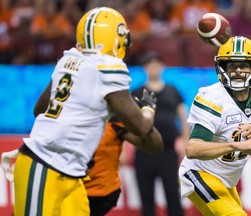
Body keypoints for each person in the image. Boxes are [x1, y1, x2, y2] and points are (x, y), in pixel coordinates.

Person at [9, 7, 157, 216]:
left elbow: (39, 110)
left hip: (72, 173)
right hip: (44, 164)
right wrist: (149, 109)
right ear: (113, 37)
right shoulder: (108, 67)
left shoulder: (69, 59)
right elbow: (141, 127)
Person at [178, 36, 251, 216]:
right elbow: (192, 148)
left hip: (227, 181)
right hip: (199, 173)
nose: (238, 71)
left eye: (243, 65)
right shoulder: (212, 97)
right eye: (232, 66)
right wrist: (236, 145)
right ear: (222, 68)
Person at [132, 52, 190, 216]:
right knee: (146, 195)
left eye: (157, 64)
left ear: (162, 67)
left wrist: (185, 141)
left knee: (172, 193)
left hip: (168, 151)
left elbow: (183, 118)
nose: (154, 68)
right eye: (150, 65)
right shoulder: (137, 93)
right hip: (144, 151)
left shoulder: (172, 91)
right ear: (145, 68)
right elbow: (129, 121)